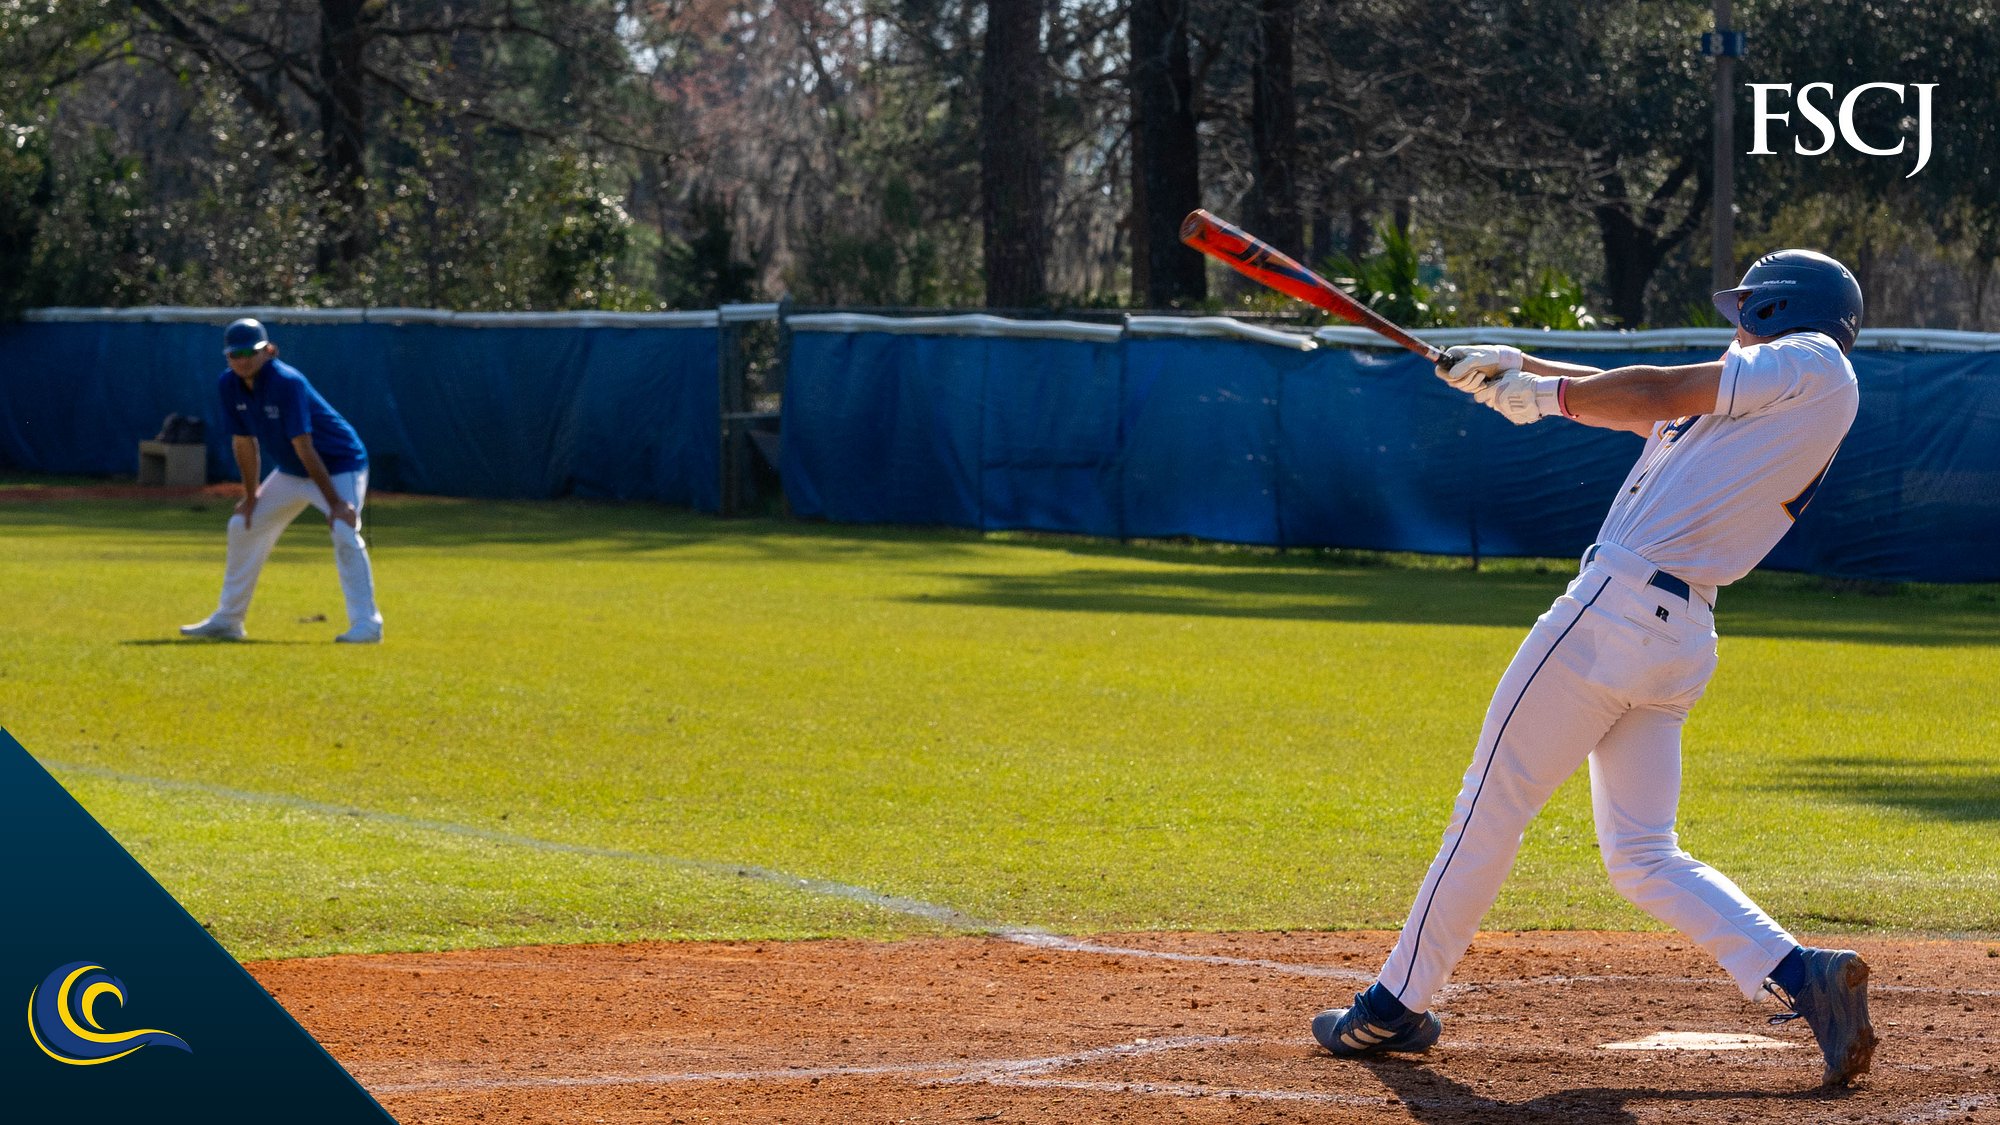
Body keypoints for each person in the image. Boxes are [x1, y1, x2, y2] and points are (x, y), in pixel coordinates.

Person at [1311, 250, 1875, 1087]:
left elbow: (1652, 392)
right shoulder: (1764, 400)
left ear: (1779, 309)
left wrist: (1536, 399)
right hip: (1677, 633)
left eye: (1749, 308)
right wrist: (1516, 368)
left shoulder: (1813, 362)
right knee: (1643, 852)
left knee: (1487, 806)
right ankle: (1804, 975)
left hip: (1611, 613)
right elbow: (1635, 402)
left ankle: (1393, 1002)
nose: (1737, 321)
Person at [180, 318, 384, 644]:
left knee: (345, 529)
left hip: (338, 465)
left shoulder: (287, 382)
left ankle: (367, 625)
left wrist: (335, 503)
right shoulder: (228, 384)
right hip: (292, 471)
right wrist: (251, 496)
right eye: (235, 354)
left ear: (269, 350)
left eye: (250, 351)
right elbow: (244, 443)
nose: (242, 360)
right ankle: (229, 620)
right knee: (242, 524)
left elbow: (304, 445)